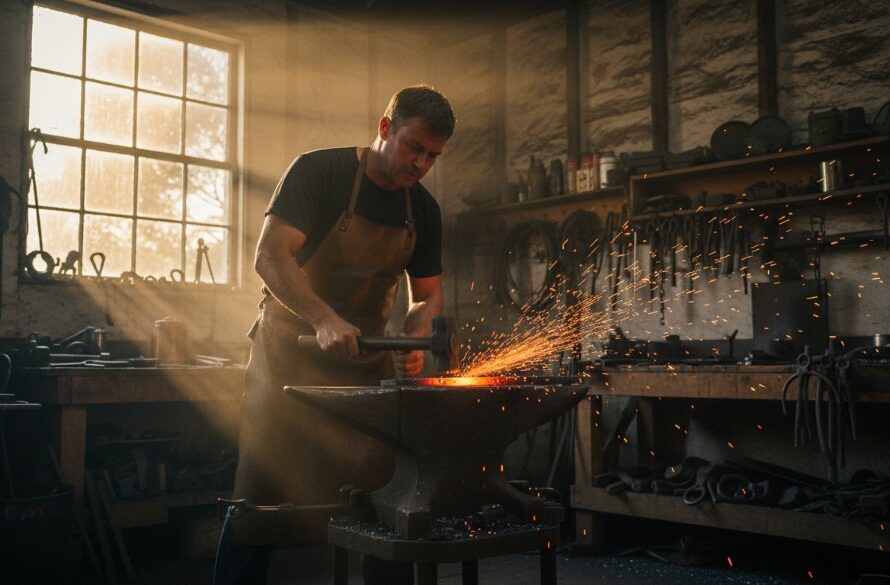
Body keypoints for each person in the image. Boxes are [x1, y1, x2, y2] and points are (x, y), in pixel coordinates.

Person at [214, 85, 455, 585]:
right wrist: (323, 318)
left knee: (381, 496)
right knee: (260, 491)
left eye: (432, 155)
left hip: (364, 363)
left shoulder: (423, 211)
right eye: (414, 147)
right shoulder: (319, 172)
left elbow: (426, 295)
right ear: (385, 128)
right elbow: (270, 257)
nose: (421, 164)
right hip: (289, 356)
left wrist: (415, 335)